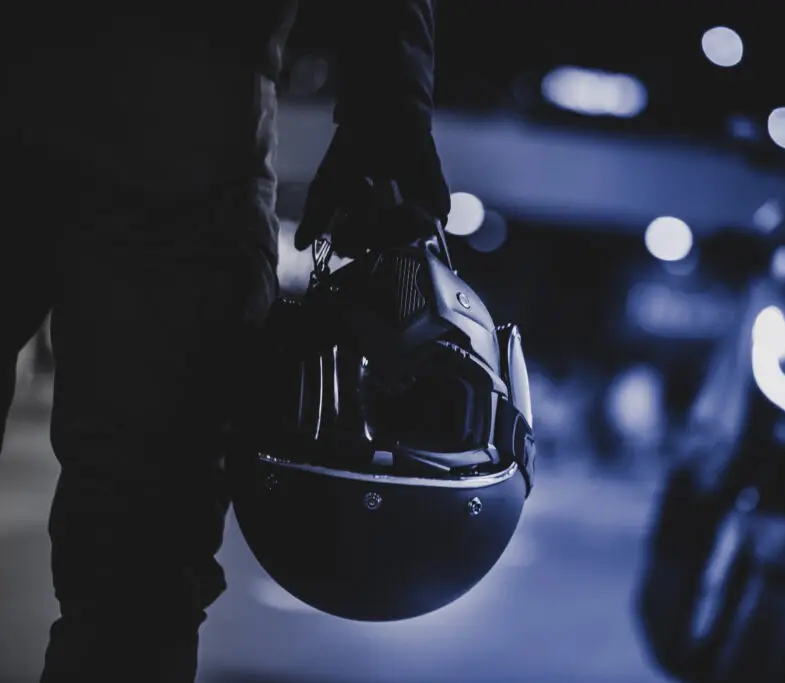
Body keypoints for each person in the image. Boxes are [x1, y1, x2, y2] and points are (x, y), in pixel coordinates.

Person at [0, 3, 451, 681]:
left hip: (175, 118)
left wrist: (391, 99)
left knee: (139, 581)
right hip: (186, 127)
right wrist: (391, 97)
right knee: (137, 579)